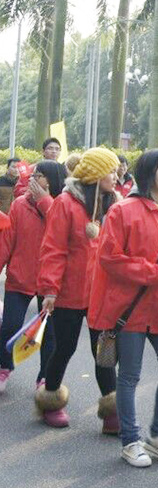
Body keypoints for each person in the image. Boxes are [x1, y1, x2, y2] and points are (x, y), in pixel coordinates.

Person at [89, 149, 158, 468]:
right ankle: (131, 440)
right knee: (129, 376)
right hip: (130, 308)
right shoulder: (123, 211)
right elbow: (110, 258)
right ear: (149, 172)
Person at [35, 148, 120, 432]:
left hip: (101, 295)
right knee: (65, 348)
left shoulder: (114, 204)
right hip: (68, 294)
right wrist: (50, 290)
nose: (116, 176)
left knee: (104, 351)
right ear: (95, 174)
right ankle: (50, 401)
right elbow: (53, 249)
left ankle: (112, 412)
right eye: (110, 171)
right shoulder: (66, 203)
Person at [0, 161, 66, 393]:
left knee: (49, 335)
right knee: (9, 327)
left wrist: (44, 201)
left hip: (52, 283)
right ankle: (4, 367)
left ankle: (45, 378)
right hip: (20, 277)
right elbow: (6, 241)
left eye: (39, 175)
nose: (32, 179)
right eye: (33, 175)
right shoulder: (20, 204)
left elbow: (61, 226)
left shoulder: (62, 204)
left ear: (52, 180)